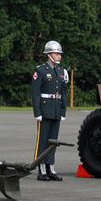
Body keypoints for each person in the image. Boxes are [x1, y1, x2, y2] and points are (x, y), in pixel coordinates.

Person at [31, 40, 69, 181]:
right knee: (43, 141)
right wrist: (37, 113)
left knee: (53, 141)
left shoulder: (60, 71)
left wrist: (63, 111)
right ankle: (41, 169)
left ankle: (51, 168)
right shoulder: (40, 70)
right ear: (49, 54)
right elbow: (35, 93)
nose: (59, 56)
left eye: (60, 54)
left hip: (56, 110)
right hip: (45, 109)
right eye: (56, 53)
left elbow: (63, 93)